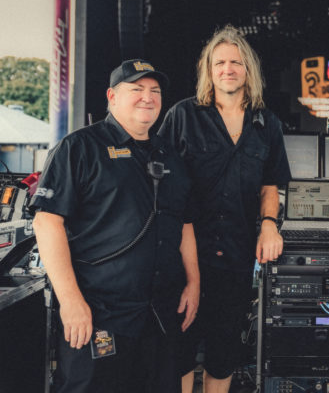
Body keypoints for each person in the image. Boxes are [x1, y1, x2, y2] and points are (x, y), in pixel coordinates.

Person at [30, 59, 199, 393]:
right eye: (136, 89)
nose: (147, 97)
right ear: (112, 96)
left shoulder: (171, 156)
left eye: (155, 91)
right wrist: (70, 300)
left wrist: (193, 282)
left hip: (160, 317)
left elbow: (186, 224)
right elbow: (47, 222)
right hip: (98, 315)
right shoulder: (78, 148)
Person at [159, 24, 291, 393]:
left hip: (234, 258)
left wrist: (269, 225)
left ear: (248, 69)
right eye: (219, 62)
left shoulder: (267, 124)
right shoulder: (183, 116)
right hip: (183, 257)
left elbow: (271, 185)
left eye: (235, 62)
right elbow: (158, 182)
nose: (227, 69)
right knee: (181, 350)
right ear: (209, 69)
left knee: (224, 352)